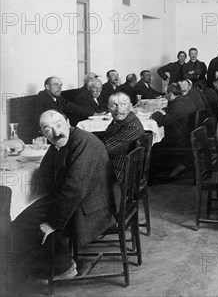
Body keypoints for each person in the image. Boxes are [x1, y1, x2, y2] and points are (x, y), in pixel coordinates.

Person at [11, 110, 119, 279]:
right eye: (48, 129)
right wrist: (55, 148)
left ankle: (63, 268)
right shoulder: (63, 140)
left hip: (93, 208)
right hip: (83, 199)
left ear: (68, 122)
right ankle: (60, 262)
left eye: (59, 125)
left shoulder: (83, 142)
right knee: (23, 216)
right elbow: (46, 171)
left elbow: (74, 190)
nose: (55, 132)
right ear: (42, 133)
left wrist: (52, 223)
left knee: (21, 223)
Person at [150, 83, 197, 178]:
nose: (165, 96)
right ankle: (169, 166)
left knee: (153, 145)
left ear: (170, 94)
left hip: (179, 139)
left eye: (166, 94)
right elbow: (175, 112)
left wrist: (156, 113)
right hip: (187, 135)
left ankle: (157, 174)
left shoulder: (177, 106)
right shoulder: (187, 100)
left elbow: (164, 120)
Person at [98, 92, 144, 183]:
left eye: (123, 104)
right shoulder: (124, 120)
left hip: (119, 174)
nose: (118, 109)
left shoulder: (132, 127)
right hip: (114, 166)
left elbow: (105, 150)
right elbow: (106, 135)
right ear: (108, 108)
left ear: (130, 106)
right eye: (113, 105)